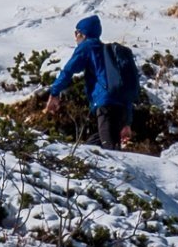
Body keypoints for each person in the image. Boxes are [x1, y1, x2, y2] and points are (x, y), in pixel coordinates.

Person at [47, 14, 141, 149]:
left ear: (82, 34)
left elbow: (68, 70)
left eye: (76, 33)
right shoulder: (108, 55)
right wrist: (126, 122)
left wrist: (54, 93)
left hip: (106, 106)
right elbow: (123, 90)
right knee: (90, 149)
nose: (75, 37)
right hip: (120, 110)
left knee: (111, 153)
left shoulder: (88, 47)